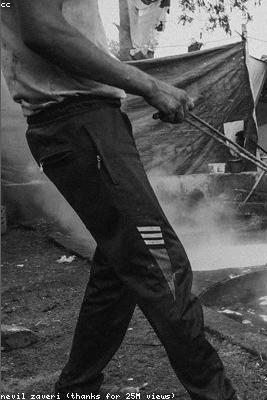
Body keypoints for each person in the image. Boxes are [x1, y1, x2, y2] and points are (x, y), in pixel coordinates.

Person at [1, 1, 237, 398]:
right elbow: (41, 29)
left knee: (117, 268)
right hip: (79, 120)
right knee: (162, 263)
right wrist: (150, 85)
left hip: (81, 121)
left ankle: (77, 388)